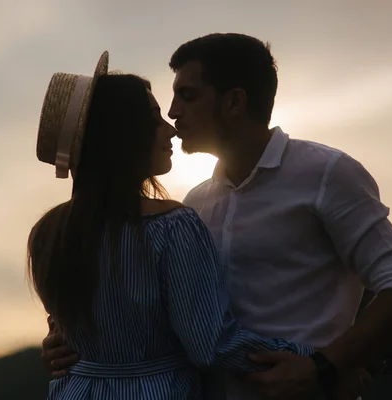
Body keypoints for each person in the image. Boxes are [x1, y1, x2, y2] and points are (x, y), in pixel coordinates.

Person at [43, 34, 392, 399]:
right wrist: (73, 339)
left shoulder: (327, 173)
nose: (174, 114)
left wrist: (325, 366)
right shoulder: (193, 204)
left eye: (187, 96)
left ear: (234, 102)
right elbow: (171, 320)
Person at [29, 51, 315, 400]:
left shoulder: (47, 233)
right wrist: (316, 361)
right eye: (153, 118)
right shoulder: (172, 226)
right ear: (122, 134)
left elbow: (66, 333)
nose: (169, 128)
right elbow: (211, 344)